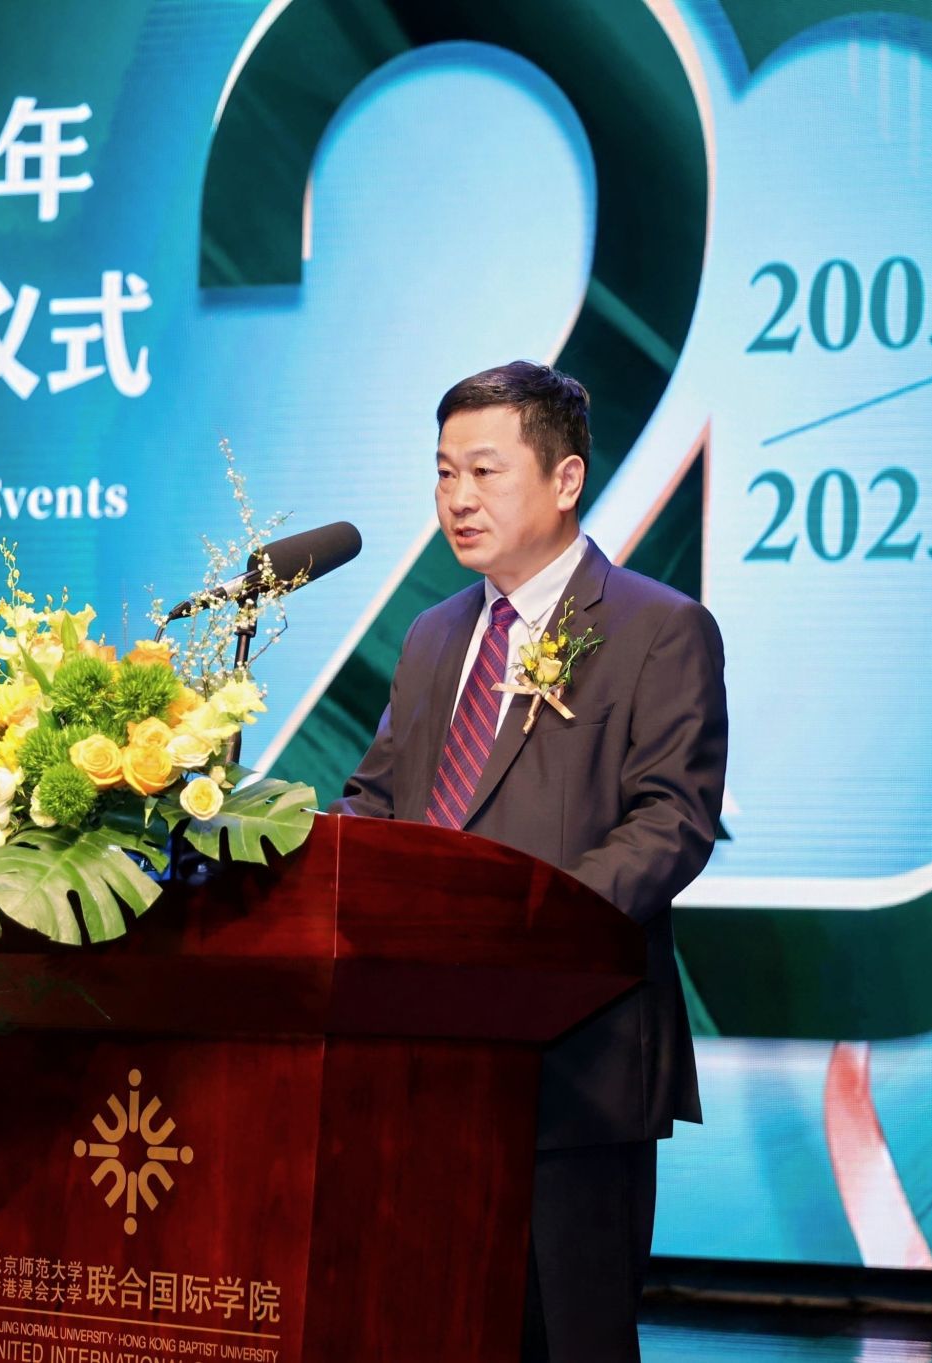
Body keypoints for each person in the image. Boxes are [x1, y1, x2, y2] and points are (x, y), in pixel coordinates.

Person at [337, 360, 728, 1361]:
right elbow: (377, 802)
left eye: (483, 470)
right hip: (426, 1060)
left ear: (564, 479)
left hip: (575, 1060)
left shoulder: (656, 629)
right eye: (442, 473)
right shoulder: (433, 637)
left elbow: (670, 820)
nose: (457, 498)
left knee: (568, 1339)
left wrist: (522, 936)